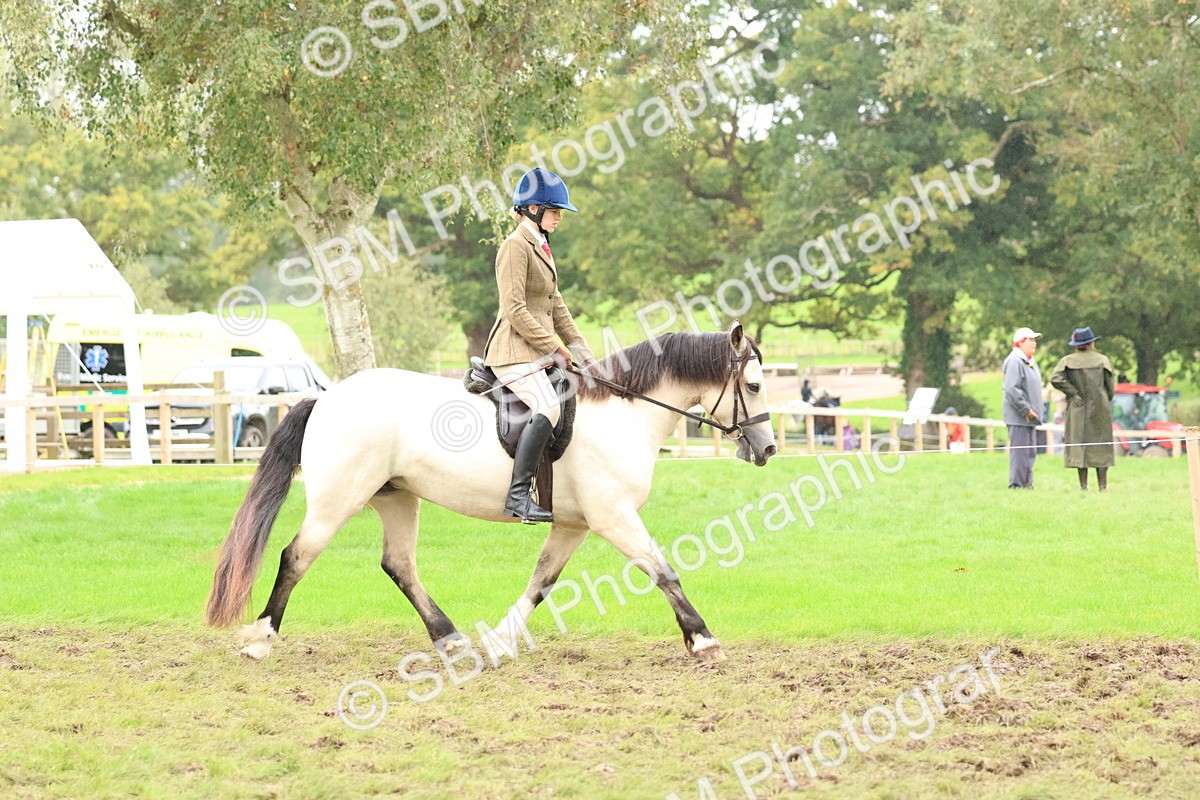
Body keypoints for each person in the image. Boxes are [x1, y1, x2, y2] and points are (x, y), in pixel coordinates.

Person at [483, 167, 598, 523]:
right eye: (554, 210)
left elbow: (555, 304)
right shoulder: (514, 247)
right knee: (548, 407)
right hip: (512, 351)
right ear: (532, 209)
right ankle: (518, 498)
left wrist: (583, 351)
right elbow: (516, 310)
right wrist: (556, 349)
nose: (559, 217)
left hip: (534, 351)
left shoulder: (541, 246)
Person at [1050, 327, 1115, 491]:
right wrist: (1104, 399)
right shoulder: (1102, 360)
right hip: (1100, 407)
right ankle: (1102, 487)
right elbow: (1110, 388)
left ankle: (1083, 486)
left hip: (1077, 407)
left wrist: (1072, 392)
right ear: (1091, 343)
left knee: (1079, 443)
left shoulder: (1067, 361)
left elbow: (1055, 378)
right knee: (1101, 444)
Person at [1002, 326, 1044, 488]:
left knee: (1030, 452)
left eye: (1035, 340)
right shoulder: (1014, 361)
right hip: (1020, 416)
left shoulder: (1029, 361)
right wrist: (1025, 409)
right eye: (1030, 340)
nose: (1034, 343)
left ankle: (1027, 484)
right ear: (1020, 342)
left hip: (1030, 417)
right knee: (1020, 453)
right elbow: (1012, 389)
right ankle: (1017, 485)